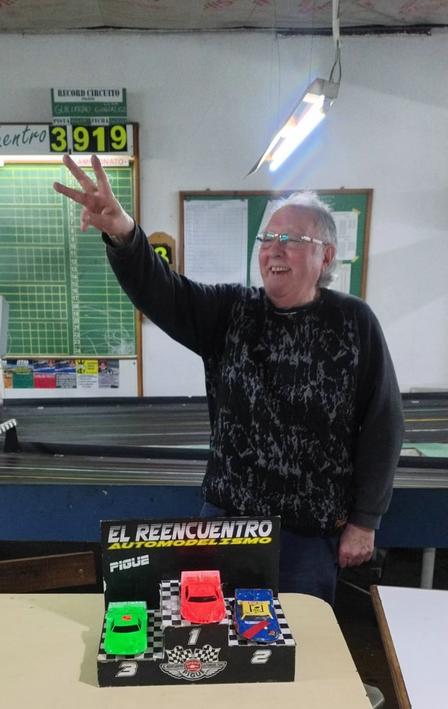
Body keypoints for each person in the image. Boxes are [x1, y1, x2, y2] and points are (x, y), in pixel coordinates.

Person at [54, 154, 404, 605]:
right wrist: (123, 232)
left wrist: (365, 520)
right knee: (210, 631)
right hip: (225, 524)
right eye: (267, 238)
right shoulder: (231, 312)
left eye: (291, 239)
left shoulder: (354, 322)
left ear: (326, 255)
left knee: (300, 639)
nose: (274, 249)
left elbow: (383, 425)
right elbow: (164, 291)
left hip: (308, 536)